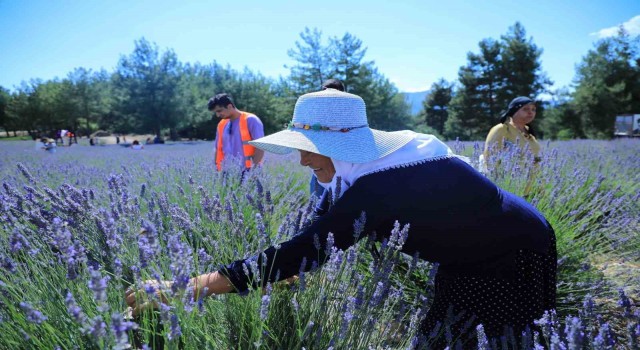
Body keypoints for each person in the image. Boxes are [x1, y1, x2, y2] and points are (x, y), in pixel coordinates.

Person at [126, 90, 557, 346]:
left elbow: (305, 251)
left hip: (514, 257)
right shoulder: (375, 166)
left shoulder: (381, 185)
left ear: (339, 147)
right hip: (468, 258)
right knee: (439, 339)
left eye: (306, 148)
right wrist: (278, 274)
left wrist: (187, 288)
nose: (300, 161)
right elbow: (312, 236)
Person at [207, 93, 265, 171]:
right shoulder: (222, 125)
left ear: (230, 106)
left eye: (219, 111)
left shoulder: (251, 120)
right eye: (216, 112)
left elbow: (260, 147)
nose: (218, 115)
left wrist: (253, 171)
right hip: (227, 172)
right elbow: (217, 148)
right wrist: (216, 169)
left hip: (248, 170)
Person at [309, 78, 346, 198]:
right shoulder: (316, 115)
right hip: (321, 169)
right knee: (317, 206)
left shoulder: (349, 116)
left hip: (342, 170)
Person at [483, 96, 541, 166]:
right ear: (514, 111)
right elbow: (489, 157)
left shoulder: (529, 134)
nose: (530, 112)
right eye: (525, 109)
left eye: (533, 109)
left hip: (531, 176)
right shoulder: (502, 129)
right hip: (508, 176)